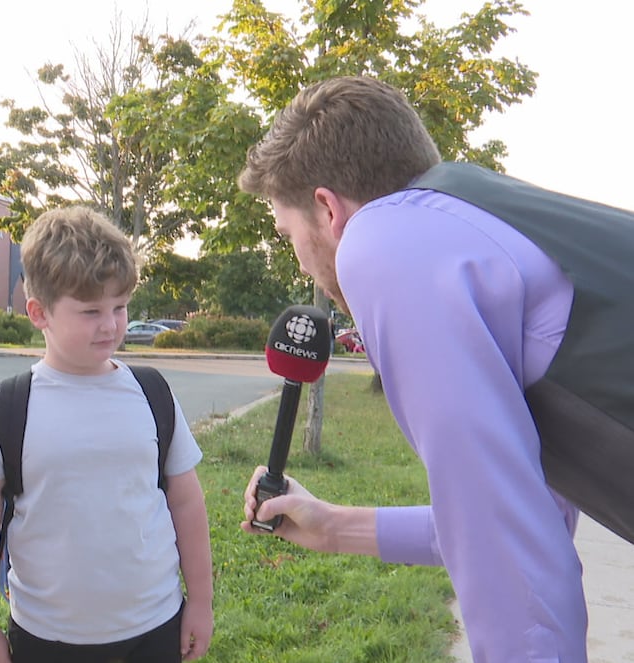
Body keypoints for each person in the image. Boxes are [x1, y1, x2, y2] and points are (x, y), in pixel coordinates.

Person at [236, 75, 634, 662]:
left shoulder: (383, 242)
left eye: (285, 232)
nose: (300, 261)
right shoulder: (470, 213)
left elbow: (509, 556)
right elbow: (517, 518)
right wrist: (331, 526)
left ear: (327, 209)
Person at [0, 206, 214, 663]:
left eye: (120, 306)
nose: (112, 324)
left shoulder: (152, 394)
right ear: (39, 313)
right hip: (46, 638)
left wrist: (202, 603)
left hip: (153, 629)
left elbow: (186, 503)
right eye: (91, 310)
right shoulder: (7, 409)